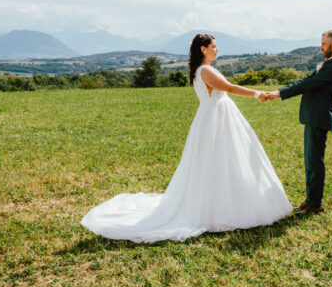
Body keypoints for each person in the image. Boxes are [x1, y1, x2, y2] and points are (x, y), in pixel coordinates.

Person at [81, 33, 293, 243]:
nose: (217, 50)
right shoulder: (206, 71)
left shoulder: (201, 70)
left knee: (224, 159)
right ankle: (219, 207)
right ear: (203, 49)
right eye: (214, 46)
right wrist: (257, 93)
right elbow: (228, 88)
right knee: (220, 159)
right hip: (215, 120)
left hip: (217, 117)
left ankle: (224, 200)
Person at [265, 30, 332, 214]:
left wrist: (279, 93)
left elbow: (308, 84)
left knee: (315, 162)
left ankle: (315, 204)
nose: (321, 47)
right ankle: (310, 200)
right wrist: (281, 90)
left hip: (319, 118)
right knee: (310, 161)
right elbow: (307, 80)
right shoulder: (329, 64)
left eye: (324, 44)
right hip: (313, 117)